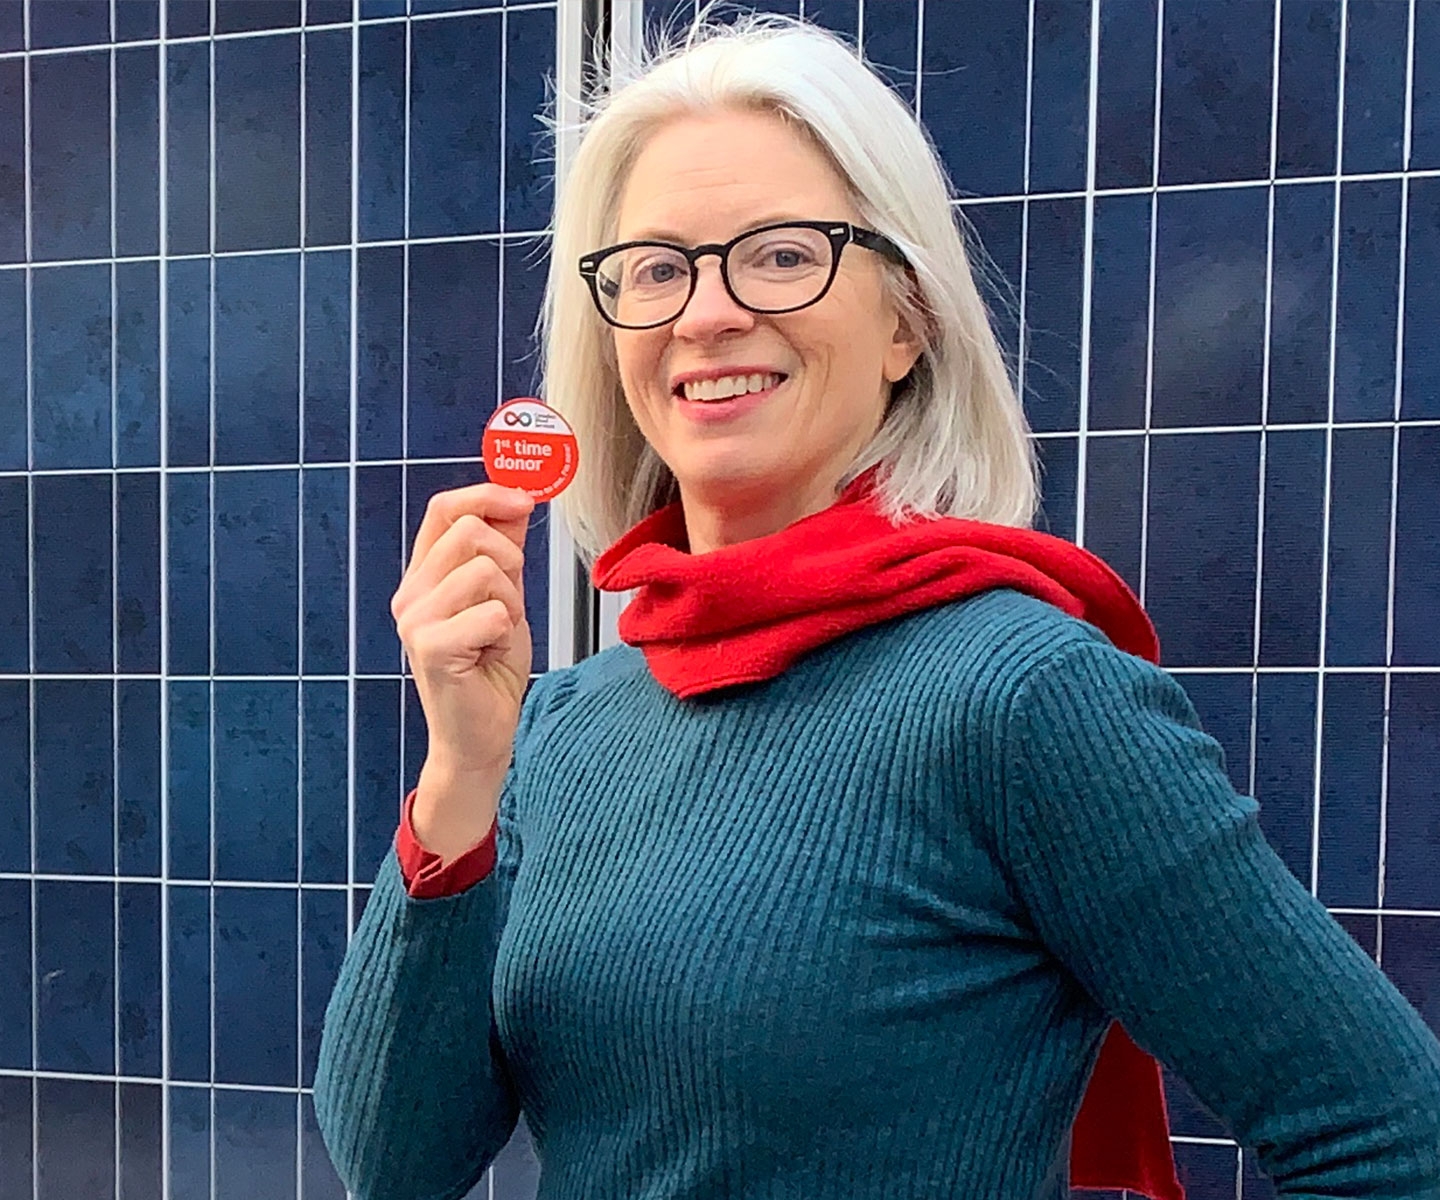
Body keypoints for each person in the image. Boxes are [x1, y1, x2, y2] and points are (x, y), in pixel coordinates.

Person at [314, 14, 1440, 1200]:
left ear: (907, 322)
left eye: (784, 254)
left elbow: (1389, 1138)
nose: (705, 314)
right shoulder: (555, 727)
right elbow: (396, 1164)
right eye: (655, 268)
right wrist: (461, 779)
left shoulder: (1024, 696)